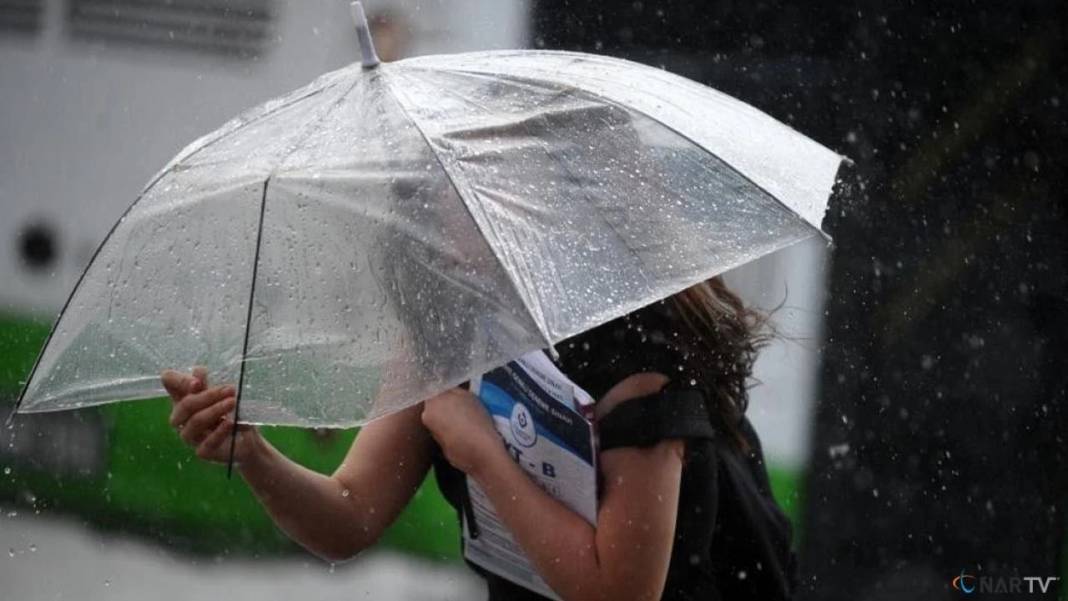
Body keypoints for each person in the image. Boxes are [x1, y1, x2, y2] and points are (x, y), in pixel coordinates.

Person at [161, 275, 798, 600]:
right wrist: (253, 455)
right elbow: (348, 517)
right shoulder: (447, 326)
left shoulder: (634, 356)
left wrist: (486, 459)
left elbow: (620, 595)